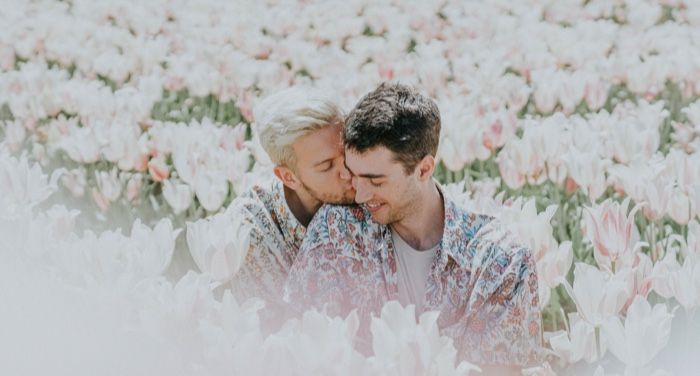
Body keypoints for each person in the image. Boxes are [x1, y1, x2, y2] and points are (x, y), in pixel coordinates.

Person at [285, 82, 541, 373]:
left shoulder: (500, 261)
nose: (360, 195)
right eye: (355, 177)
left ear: (424, 169)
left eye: (376, 180)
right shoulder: (336, 230)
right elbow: (300, 342)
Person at [226, 87, 355, 321]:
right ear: (288, 177)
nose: (347, 173)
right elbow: (275, 330)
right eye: (327, 166)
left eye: (346, 154)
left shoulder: (366, 183)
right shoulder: (251, 230)